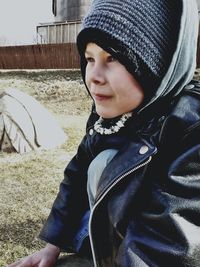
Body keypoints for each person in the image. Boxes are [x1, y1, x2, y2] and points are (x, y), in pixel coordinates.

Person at [8, 0, 200, 266]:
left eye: (112, 58)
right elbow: (76, 176)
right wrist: (52, 247)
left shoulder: (190, 128)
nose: (93, 76)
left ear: (156, 65)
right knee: (99, 163)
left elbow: (171, 245)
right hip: (118, 251)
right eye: (89, 58)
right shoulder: (111, 116)